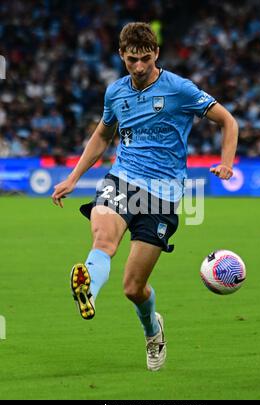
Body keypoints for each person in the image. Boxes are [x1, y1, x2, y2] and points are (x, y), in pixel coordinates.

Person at [52, 22, 238, 371]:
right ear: (122, 55)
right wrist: (74, 177)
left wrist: (227, 164)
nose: (139, 67)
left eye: (145, 59)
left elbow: (228, 121)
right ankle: (88, 290)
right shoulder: (115, 93)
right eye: (132, 59)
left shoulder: (179, 89)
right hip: (122, 179)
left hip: (162, 196)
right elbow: (102, 136)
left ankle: (153, 331)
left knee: (133, 288)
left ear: (156, 54)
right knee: (103, 239)